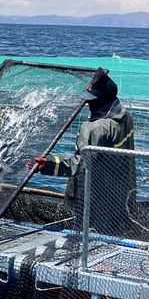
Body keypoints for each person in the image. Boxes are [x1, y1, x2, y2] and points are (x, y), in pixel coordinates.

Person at [26, 67, 135, 234]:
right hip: (120, 191)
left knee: (88, 236)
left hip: (95, 198)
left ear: (102, 99)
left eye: (92, 99)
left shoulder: (93, 128)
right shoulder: (124, 117)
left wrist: (47, 165)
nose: (88, 102)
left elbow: (83, 163)